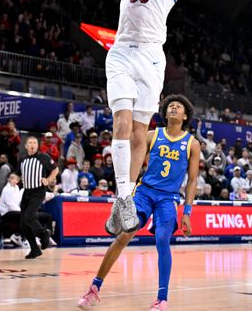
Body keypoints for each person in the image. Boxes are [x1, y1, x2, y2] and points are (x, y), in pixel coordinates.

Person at [105, 0, 189, 235]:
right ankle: (124, 197)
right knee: (122, 122)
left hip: (152, 58)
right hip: (122, 51)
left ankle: (126, 194)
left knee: (140, 134)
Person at [78, 94, 200, 311]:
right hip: (144, 191)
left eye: (178, 107)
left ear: (185, 115)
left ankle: (162, 299)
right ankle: (94, 287)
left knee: (163, 239)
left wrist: (187, 212)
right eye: (170, 105)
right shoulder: (153, 135)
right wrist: (125, 193)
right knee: (124, 235)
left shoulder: (192, 143)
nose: (173, 108)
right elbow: (135, 157)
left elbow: (191, 181)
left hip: (168, 198)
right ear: (164, 112)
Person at [14, 135, 58, 259]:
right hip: (26, 192)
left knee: (29, 217)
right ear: (26, 146)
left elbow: (55, 170)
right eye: (30, 143)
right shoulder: (22, 159)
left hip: (38, 192)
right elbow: (18, 174)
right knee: (23, 223)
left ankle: (44, 234)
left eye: (35, 143)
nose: (33, 145)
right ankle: (35, 249)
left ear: (37, 146)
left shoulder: (43, 157)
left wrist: (48, 180)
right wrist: (15, 179)